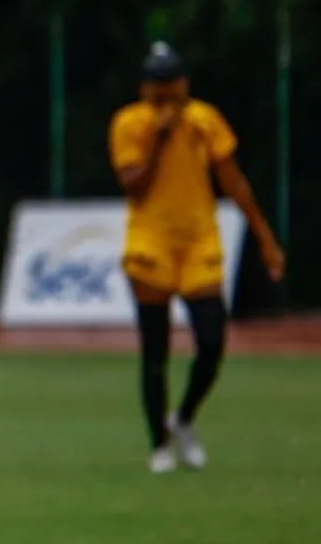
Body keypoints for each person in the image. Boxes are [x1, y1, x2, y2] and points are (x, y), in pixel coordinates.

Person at [108, 42, 286, 474]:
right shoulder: (131, 123)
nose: (167, 93)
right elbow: (134, 185)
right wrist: (160, 135)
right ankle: (159, 444)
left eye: (172, 83)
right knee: (156, 348)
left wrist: (265, 238)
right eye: (158, 85)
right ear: (144, 87)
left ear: (184, 83)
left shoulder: (205, 120)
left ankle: (183, 417)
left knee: (211, 340)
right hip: (151, 240)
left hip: (198, 240)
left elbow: (233, 181)